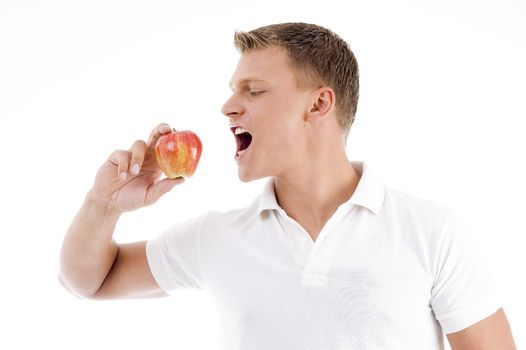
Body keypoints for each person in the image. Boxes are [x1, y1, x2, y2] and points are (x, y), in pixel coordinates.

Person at [59, 22, 516, 349]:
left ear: (318, 104)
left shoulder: (432, 231)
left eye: (253, 91)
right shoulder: (216, 237)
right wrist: (104, 204)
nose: (227, 107)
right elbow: (88, 282)